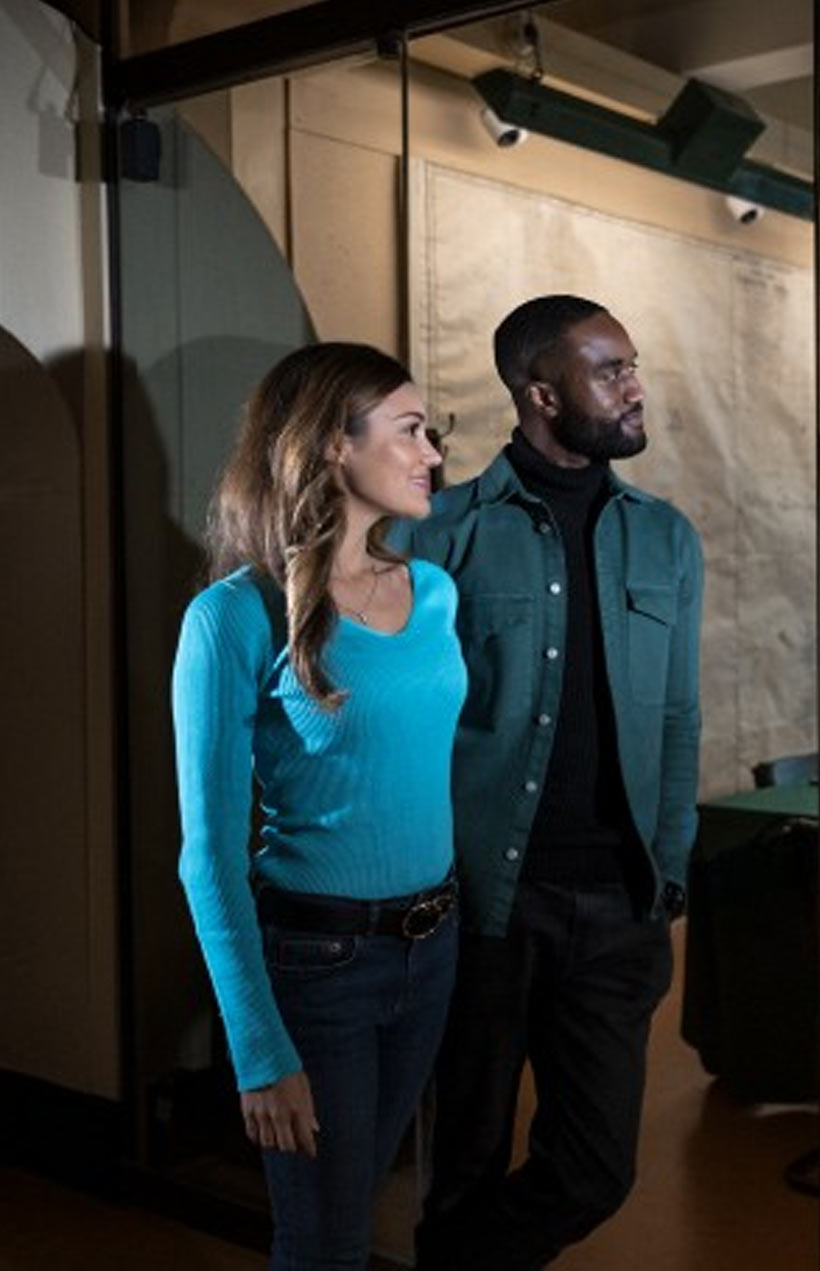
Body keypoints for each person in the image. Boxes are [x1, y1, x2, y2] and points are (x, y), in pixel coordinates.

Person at [406, 295, 704, 1269]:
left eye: (632, 365)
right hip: (488, 904)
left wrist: (668, 868)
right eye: (609, 370)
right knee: (464, 1160)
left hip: (619, 904)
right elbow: (407, 728)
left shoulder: (667, 537)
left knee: (595, 1169)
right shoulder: (443, 535)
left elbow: (679, 714)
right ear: (541, 393)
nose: (635, 387)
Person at [173, 343, 463, 1269]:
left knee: (356, 1209)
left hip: (433, 944)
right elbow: (208, 855)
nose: (432, 454)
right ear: (334, 445)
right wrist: (259, 1048)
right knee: (326, 1243)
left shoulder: (435, 593)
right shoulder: (234, 615)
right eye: (411, 430)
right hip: (319, 965)